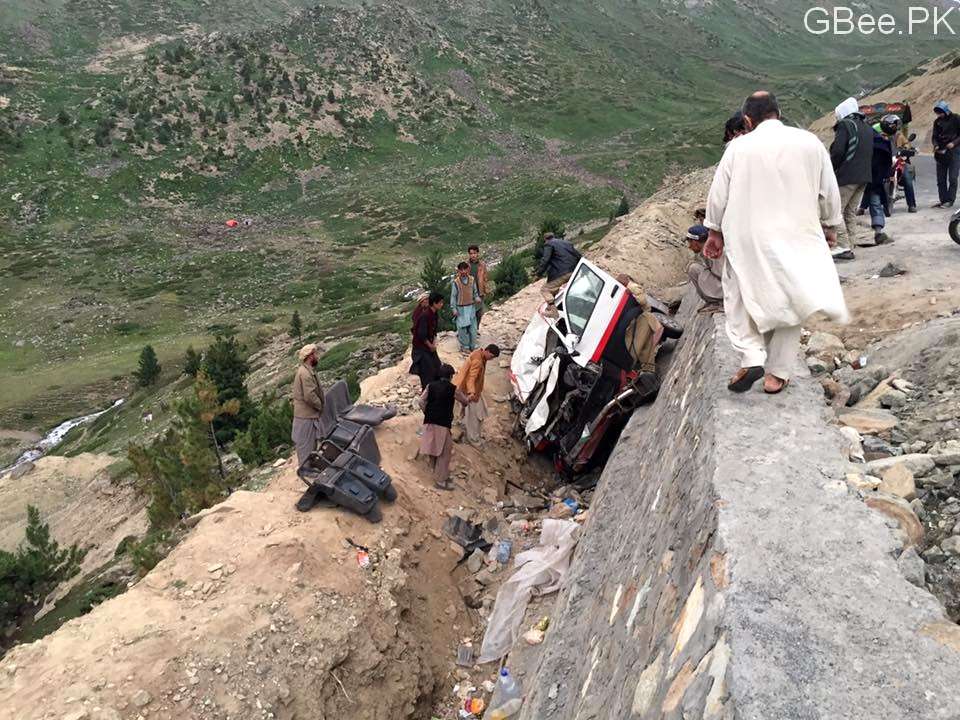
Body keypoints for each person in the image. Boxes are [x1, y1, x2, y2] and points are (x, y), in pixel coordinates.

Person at [704, 91, 848, 395]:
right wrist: (831, 224)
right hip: (797, 233)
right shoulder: (810, 143)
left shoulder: (737, 148)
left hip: (748, 235)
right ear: (778, 113)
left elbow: (718, 195)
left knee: (741, 293)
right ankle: (776, 375)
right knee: (788, 298)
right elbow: (829, 189)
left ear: (747, 119)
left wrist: (714, 232)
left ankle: (752, 354)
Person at [829, 97, 873, 261]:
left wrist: (831, 168)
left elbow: (839, 151)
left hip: (847, 176)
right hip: (864, 176)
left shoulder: (845, 125)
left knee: (836, 211)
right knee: (850, 211)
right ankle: (851, 243)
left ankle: (843, 246)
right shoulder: (866, 127)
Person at [418, 364, 470, 490]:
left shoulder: (431, 386)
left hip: (429, 421)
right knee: (444, 452)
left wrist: (428, 412)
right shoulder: (453, 389)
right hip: (442, 424)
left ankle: (439, 473)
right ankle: (440, 480)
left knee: (433, 448)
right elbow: (465, 401)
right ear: (450, 376)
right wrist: (467, 400)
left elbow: (421, 401)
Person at [453, 344, 500, 445]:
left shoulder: (479, 354)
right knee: (474, 417)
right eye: (491, 356)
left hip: (467, 388)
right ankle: (473, 438)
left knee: (478, 411)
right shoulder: (478, 361)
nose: (491, 359)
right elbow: (471, 378)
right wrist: (472, 392)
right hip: (468, 390)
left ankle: (464, 426)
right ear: (487, 351)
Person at [862, 115, 897, 246]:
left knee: (872, 200)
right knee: (874, 200)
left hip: (866, 175)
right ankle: (878, 232)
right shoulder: (879, 138)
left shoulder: (871, 134)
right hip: (870, 175)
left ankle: (877, 232)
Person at [291, 344, 325, 467]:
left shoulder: (306, 371)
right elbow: (309, 396)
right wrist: (320, 406)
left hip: (307, 415)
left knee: (311, 444)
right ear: (310, 356)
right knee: (306, 445)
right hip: (305, 417)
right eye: (315, 354)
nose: (317, 356)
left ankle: (311, 467)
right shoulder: (305, 373)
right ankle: (306, 471)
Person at [537, 232, 582, 315]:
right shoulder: (566, 243)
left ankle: (554, 312)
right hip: (574, 270)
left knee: (545, 290)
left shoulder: (548, 244)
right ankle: (550, 306)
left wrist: (538, 274)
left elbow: (545, 260)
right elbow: (579, 256)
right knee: (554, 287)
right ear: (554, 236)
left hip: (562, 273)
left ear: (545, 239)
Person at [684, 224, 724, 311]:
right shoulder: (708, 249)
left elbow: (723, 275)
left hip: (727, 289)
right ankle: (713, 301)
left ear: (695, 242)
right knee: (694, 268)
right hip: (725, 287)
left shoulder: (711, 250)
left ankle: (717, 302)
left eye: (690, 243)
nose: (689, 246)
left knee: (693, 269)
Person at [409, 291, 444, 389]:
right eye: (440, 302)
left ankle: (437, 389)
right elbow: (421, 334)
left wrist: (434, 342)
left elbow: (433, 330)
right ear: (434, 303)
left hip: (429, 346)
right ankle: (427, 394)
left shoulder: (434, 313)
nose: (442, 304)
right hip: (421, 348)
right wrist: (430, 345)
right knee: (427, 372)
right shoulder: (425, 316)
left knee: (437, 366)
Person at [932, 100, 960, 208]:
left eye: (941, 112)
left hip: (955, 151)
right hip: (941, 151)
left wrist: (954, 143)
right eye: (938, 113)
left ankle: (950, 200)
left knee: (953, 177)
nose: (939, 115)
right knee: (940, 179)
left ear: (946, 110)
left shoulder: (956, 118)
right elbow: (934, 136)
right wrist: (935, 145)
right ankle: (943, 200)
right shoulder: (937, 122)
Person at [451, 262, 481, 353]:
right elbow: (453, 296)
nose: (463, 271)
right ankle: (465, 346)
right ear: (459, 270)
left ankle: (473, 345)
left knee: (473, 327)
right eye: (461, 269)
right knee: (462, 328)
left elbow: (475, 292)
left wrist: (476, 298)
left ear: (468, 269)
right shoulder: (456, 282)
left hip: (471, 307)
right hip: (460, 308)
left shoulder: (472, 280)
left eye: (465, 269)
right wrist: (454, 308)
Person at [467, 245, 490, 328]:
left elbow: (485, 278)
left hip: (480, 291)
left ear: (478, 253)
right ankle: (470, 330)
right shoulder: (466, 265)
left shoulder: (482, 265)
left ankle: (476, 329)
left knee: (479, 312)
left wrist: (486, 289)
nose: (473, 255)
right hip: (469, 293)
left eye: (474, 253)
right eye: (471, 253)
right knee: (470, 313)